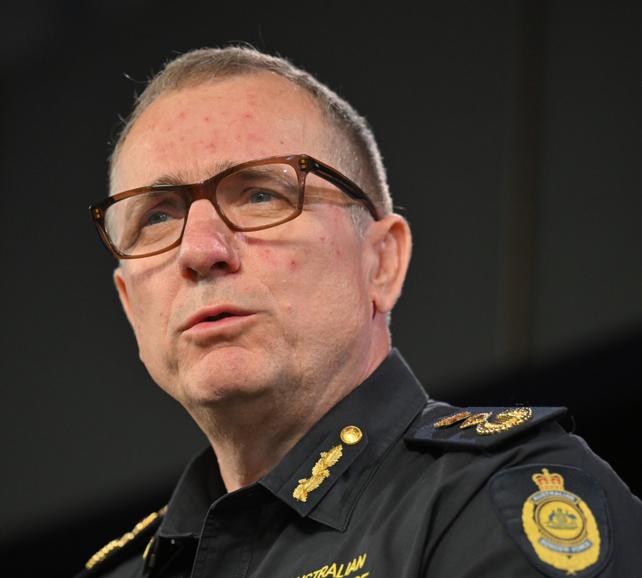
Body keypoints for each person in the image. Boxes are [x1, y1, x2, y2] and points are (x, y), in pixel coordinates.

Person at [78, 46, 642, 578]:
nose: (199, 251)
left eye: (259, 195)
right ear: (130, 305)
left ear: (382, 263)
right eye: (156, 216)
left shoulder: (497, 500)